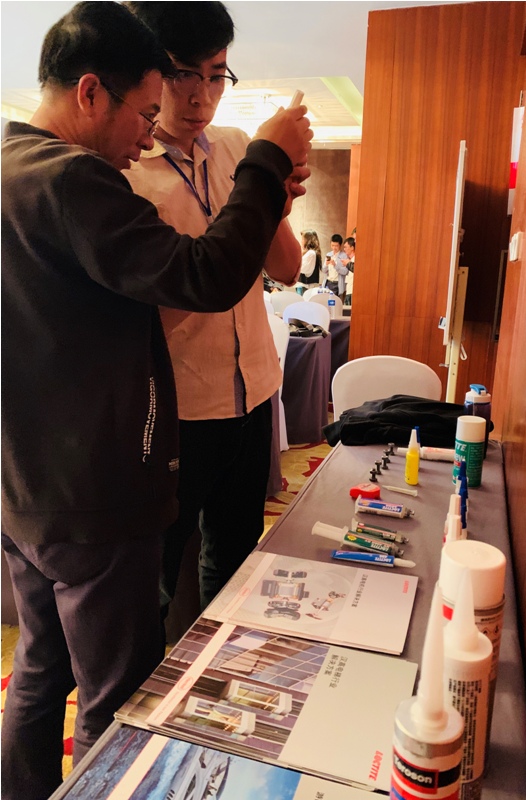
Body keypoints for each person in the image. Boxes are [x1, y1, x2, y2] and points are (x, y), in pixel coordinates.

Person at [0, 3, 311, 798]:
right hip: (98, 488)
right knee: (117, 696)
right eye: (145, 111)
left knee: (42, 670)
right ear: (91, 93)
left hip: (30, 487)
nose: (146, 134)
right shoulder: (78, 180)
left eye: (216, 76)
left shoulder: (11, 164)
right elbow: (204, 276)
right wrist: (268, 162)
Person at [124, 1, 304, 616]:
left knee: (237, 555)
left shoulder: (238, 149)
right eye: (182, 73)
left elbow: (286, 268)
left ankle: (220, 670)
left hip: (253, 391)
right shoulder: (127, 174)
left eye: (216, 74)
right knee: (159, 571)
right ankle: (158, 672)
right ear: (149, 70)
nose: (201, 96)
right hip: (181, 407)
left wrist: (275, 202)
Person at [322, 233, 348, 298]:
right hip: (328, 282)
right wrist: (326, 264)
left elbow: (345, 271)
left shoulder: (344, 256)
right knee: (326, 301)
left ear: (340, 245)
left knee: (335, 302)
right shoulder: (329, 254)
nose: (334, 248)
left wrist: (335, 265)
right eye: (332, 245)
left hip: (337, 283)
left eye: (336, 246)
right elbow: (323, 270)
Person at [341, 236, 356, 306]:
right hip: (349, 290)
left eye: (346, 247)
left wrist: (348, 264)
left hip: (352, 291)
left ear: (352, 247)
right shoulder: (350, 260)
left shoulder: (355, 260)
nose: (344, 249)